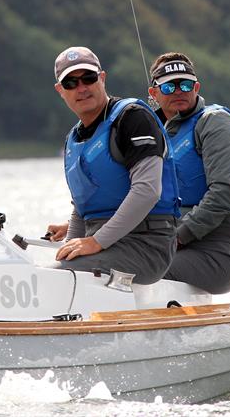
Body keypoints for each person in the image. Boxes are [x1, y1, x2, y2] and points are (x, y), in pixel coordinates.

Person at [46, 46, 180, 285]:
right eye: (71, 83)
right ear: (60, 91)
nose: (82, 88)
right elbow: (81, 209)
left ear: (102, 78)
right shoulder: (73, 139)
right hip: (104, 241)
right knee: (48, 269)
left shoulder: (132, 118)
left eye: (88, 78)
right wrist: (69, 247)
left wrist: (96, 242)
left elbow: (148, 191)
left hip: (146, 244)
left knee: (56, 277)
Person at [148, 52, 230, 293]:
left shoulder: (216, 123)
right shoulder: (153, 133)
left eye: (185, 84)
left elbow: (224, 195)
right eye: (169, 86)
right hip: (170, 243)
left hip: (219, 250)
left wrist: (176, 238)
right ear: (153, 93)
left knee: (136, 268)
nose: (179, 91)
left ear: (196, 87)